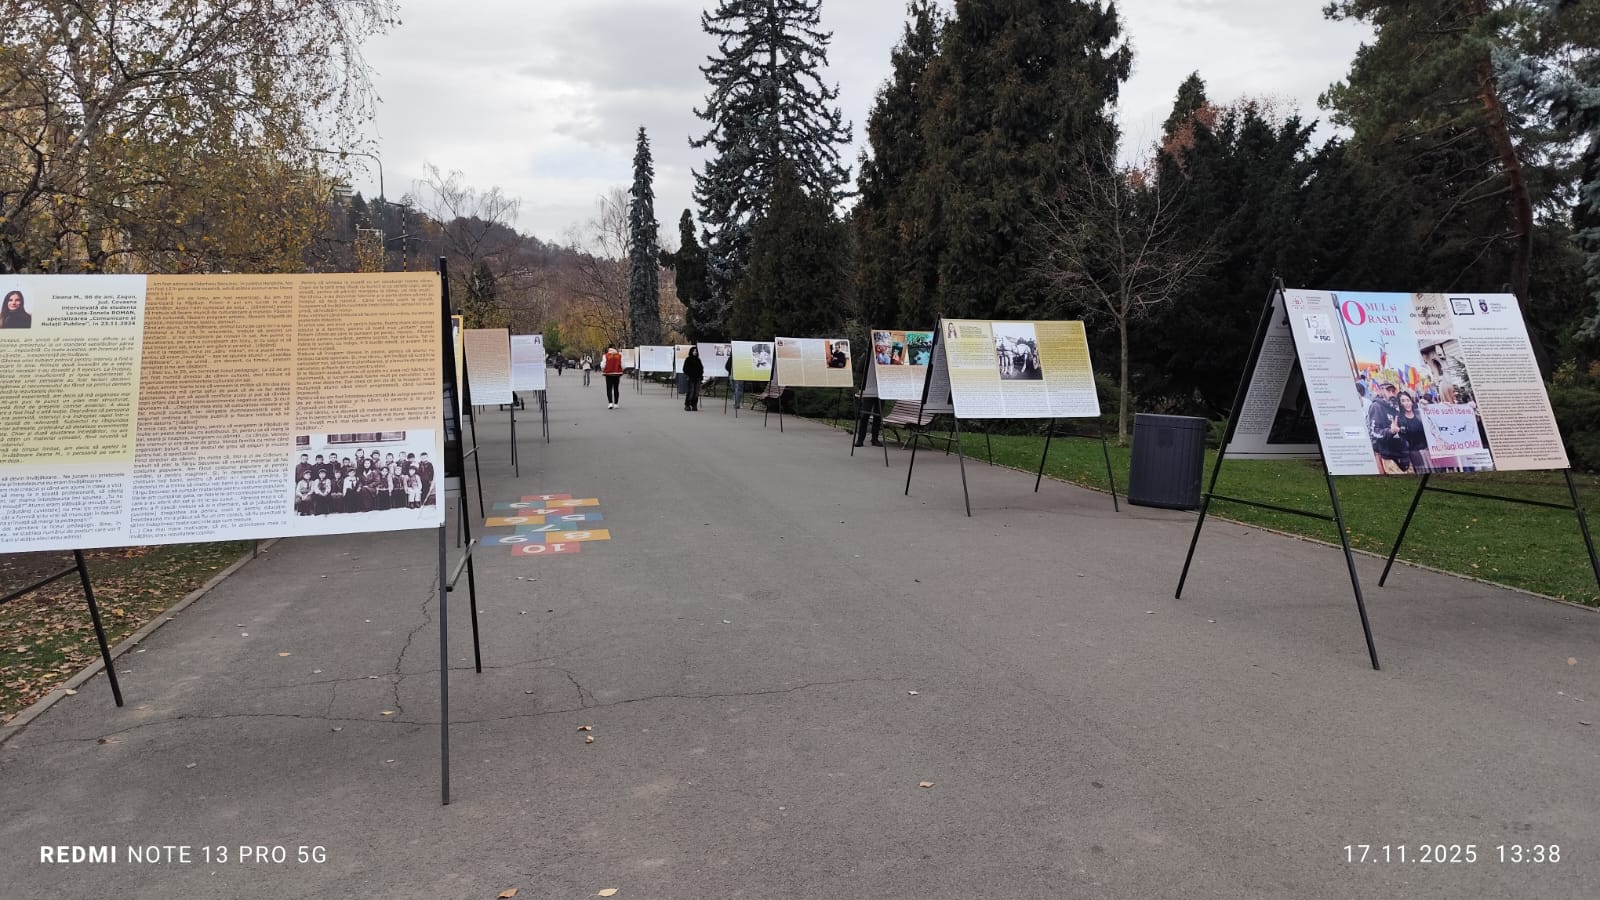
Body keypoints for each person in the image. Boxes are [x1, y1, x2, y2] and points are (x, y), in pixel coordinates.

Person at [682, 345, 705, 411]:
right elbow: (685, 369)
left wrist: (701, 375)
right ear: (691, 352)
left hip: (697, 378)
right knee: (691, 392)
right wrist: (689, 374)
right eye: (694, 351)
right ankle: (687, 405)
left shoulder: (698, 360)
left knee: (696, 392)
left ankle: (694, 405)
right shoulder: (688, 359)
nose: (695, 352)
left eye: (696, 351)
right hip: (691, 378)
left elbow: (701, 368)